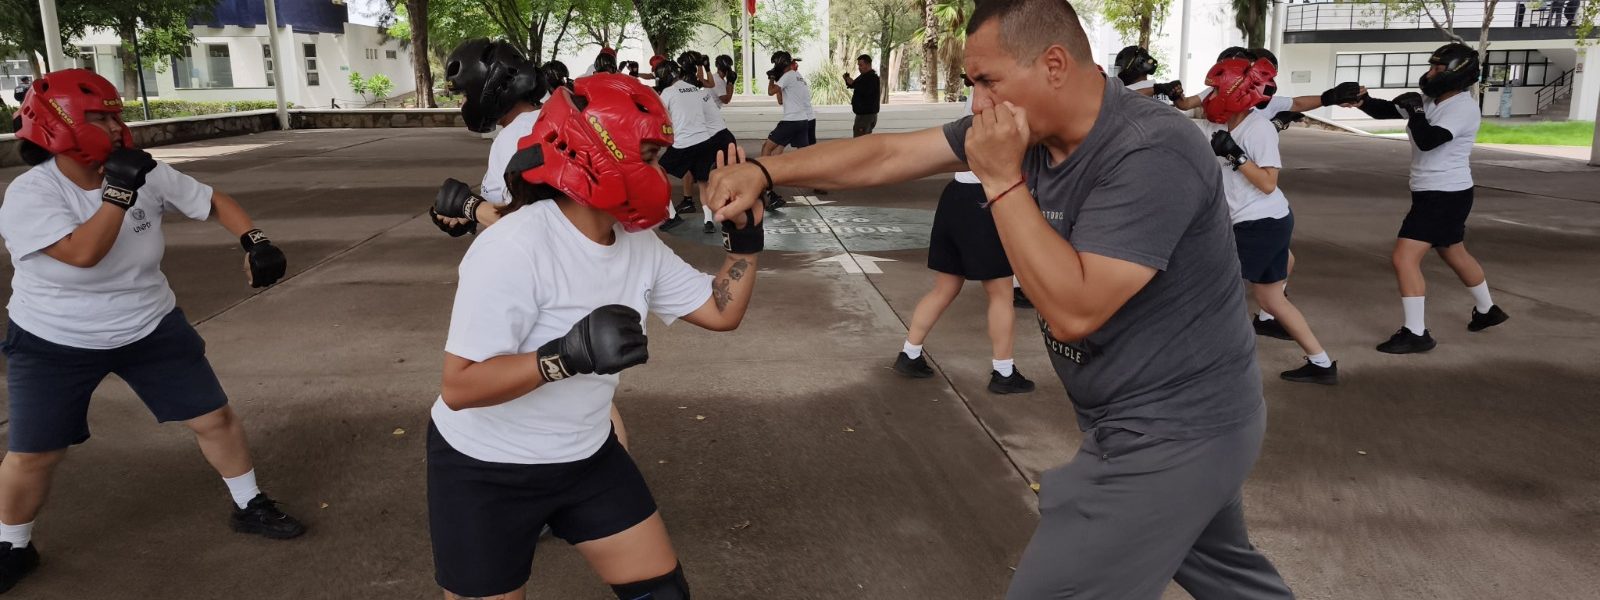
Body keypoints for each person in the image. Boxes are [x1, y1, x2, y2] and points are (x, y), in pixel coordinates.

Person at [705, 0, 1293, 596]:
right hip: (1147, 416)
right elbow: (890, 153)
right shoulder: (1029, 128)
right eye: (971, 84)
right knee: (1232, 582)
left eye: (988, 81)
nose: (978, 102)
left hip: (1174, 429)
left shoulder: (1150, 149)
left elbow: (1073, 312)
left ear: (1055, 65)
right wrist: (766, 171)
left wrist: (1001, 177)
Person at [427, 72, 763, 600]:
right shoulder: (515, 247)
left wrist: (743, 239)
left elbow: (720, 312)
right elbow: (460, 387)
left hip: (585, 457)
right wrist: (564, 356)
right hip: (487, 469)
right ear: (595, 153)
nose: (661, 172)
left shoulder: (637, 244)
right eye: (650, 157)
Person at [0, 69, 304, 594]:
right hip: (55, 338)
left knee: (215, 418)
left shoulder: (143, 172)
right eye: (101, 117)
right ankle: (13, 545)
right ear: (60, 124)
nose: (117, 127)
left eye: (118, 114)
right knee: (35, 452)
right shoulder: (31, 194)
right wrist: (118, 192)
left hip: (148, 322)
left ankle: (249, 503)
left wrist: (255, 240)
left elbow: (212, 199)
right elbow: (82, 254)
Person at [1353, 43, 1508, 354]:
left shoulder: (1462, 107)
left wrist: (1416, 111)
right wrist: (1361, 101)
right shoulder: (1430, 99)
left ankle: (1416, 332)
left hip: (1444, 194)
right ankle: (1487, 310)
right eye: (1432, 66)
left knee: (1404, 258)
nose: (1431, 73)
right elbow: (1388, 109)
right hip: (1440, 192)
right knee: (1454, 253)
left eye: (1439, 68)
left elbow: (1429, 141)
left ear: (1457, 74)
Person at [1202, 58, 1338, 384]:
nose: (1209, 96)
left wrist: (1236, 155)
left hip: (1258, 224)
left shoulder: (1258, 128)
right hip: (1266, 221)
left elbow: (1267, 183)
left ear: (1235, 93)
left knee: (1215, 292)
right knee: (1271, 298)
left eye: (1215, 90)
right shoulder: (1222, 127)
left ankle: (1214, 369)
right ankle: (1321, 364)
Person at [895, 88, 1035, 395]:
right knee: (1000, 293)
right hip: (983, 199)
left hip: (956, 195)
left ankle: (910, 353)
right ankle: (1004, 372)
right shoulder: (1008, 99)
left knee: (945, 287)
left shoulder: (981, 93)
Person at [430, 39, 549, 235]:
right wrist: (472, 213)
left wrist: (470, 206)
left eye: (466, 95)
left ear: (489, 88)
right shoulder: (544, 120)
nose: (464, 104)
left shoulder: (516, 137)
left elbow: (530, 227)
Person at [655, 61, 739, 235]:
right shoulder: (695, 90)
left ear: (665, 76)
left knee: (656, 172)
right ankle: (708, 220)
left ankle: (671, 216)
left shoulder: (668, 92)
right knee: (703, 182)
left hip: (684, 144)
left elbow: (658, 115)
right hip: (704, 141)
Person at [761, 51, 816, 210]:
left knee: (767, 147)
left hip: (791, 121)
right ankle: (775, 177)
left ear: (780, 64)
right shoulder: (798, 77)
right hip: (803, 121)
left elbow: (771, 92)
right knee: (779, 149)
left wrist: (772, 78)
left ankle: (767, 188)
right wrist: (778, 81)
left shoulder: (788, 75)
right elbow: (780, 100)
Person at [844, 54, 882, 137]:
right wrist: (847, 80)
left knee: (860, 141)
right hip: (863, 115)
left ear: (868, 65)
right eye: (858, 65)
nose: (859, 67)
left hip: (866, 116)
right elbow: (855, 85)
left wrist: (853, 83)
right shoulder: (864, 76)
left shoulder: (872, 78)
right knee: (862, 139)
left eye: (861, 65)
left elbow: (866, 91)